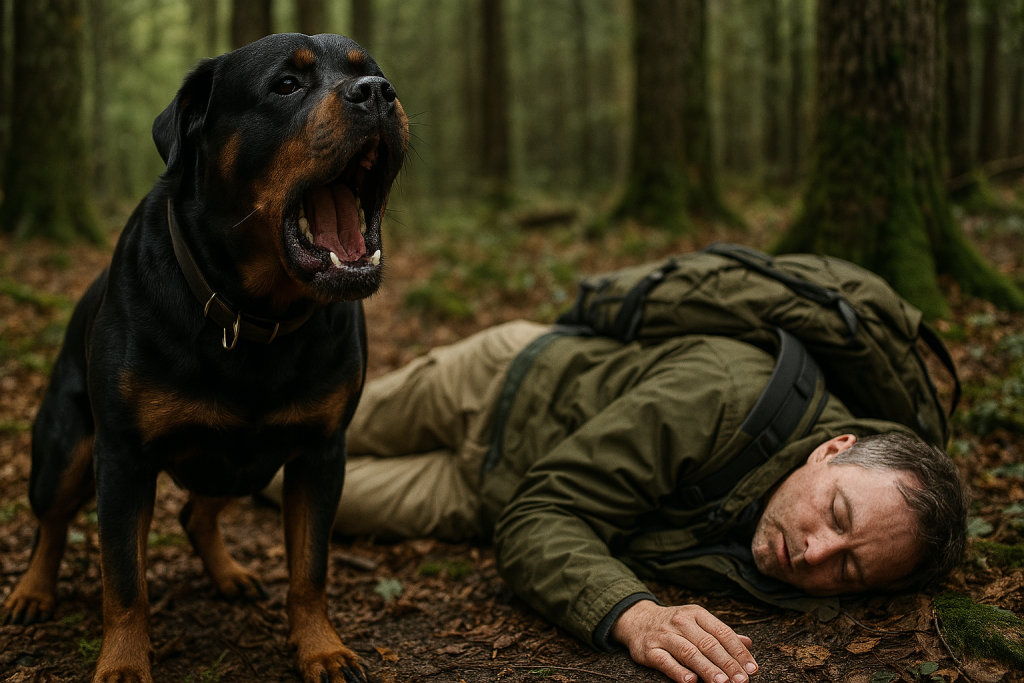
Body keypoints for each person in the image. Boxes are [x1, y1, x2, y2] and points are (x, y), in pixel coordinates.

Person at [263, 320, 969, 683]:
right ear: (832, 447)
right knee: (287, 430)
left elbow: (528, 509)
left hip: (484, 494)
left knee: (277, 481)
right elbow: (546, 513)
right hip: (495, 386)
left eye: (847, 571)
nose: (815, 552)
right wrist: (634, 612)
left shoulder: (806, 563)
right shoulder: (723, 394)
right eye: (837, 515)